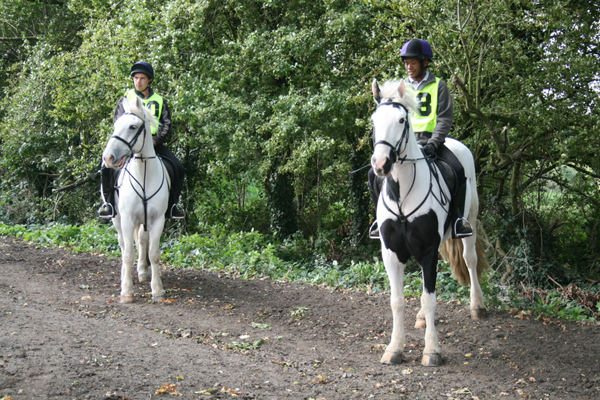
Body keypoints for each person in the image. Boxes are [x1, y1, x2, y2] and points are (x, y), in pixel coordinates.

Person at [368, 39, 472, 238]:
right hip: (405, 145)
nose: (408, 66)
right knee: (372, 175)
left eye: (413, 62)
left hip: (432, 142)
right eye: (406, 63)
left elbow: (444, 118)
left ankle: (459, 220)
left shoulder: (438, 86)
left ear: (425, 63)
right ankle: (378, 220)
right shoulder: (400, 88)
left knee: (457, 170)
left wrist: (434, 142)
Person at [98, 61, 185, 219]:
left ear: (149, 80)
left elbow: (166, 124)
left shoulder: (159, 100)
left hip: (152, 145)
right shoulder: (126, 100)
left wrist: (155, 141)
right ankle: (109, 204)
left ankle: (172, 206)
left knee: (178, 167)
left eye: (142, 78)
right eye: (136, 78)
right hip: (129, 145)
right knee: (106, 166)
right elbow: (119, 122)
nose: (138, 81)